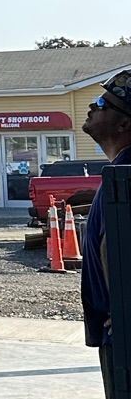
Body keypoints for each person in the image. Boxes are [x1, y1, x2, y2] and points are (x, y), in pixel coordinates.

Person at [82, 68, 131, 367]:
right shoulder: (116, 174)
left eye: (102, 105)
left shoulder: (126, 177)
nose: (91, 107)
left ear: (124, 123)